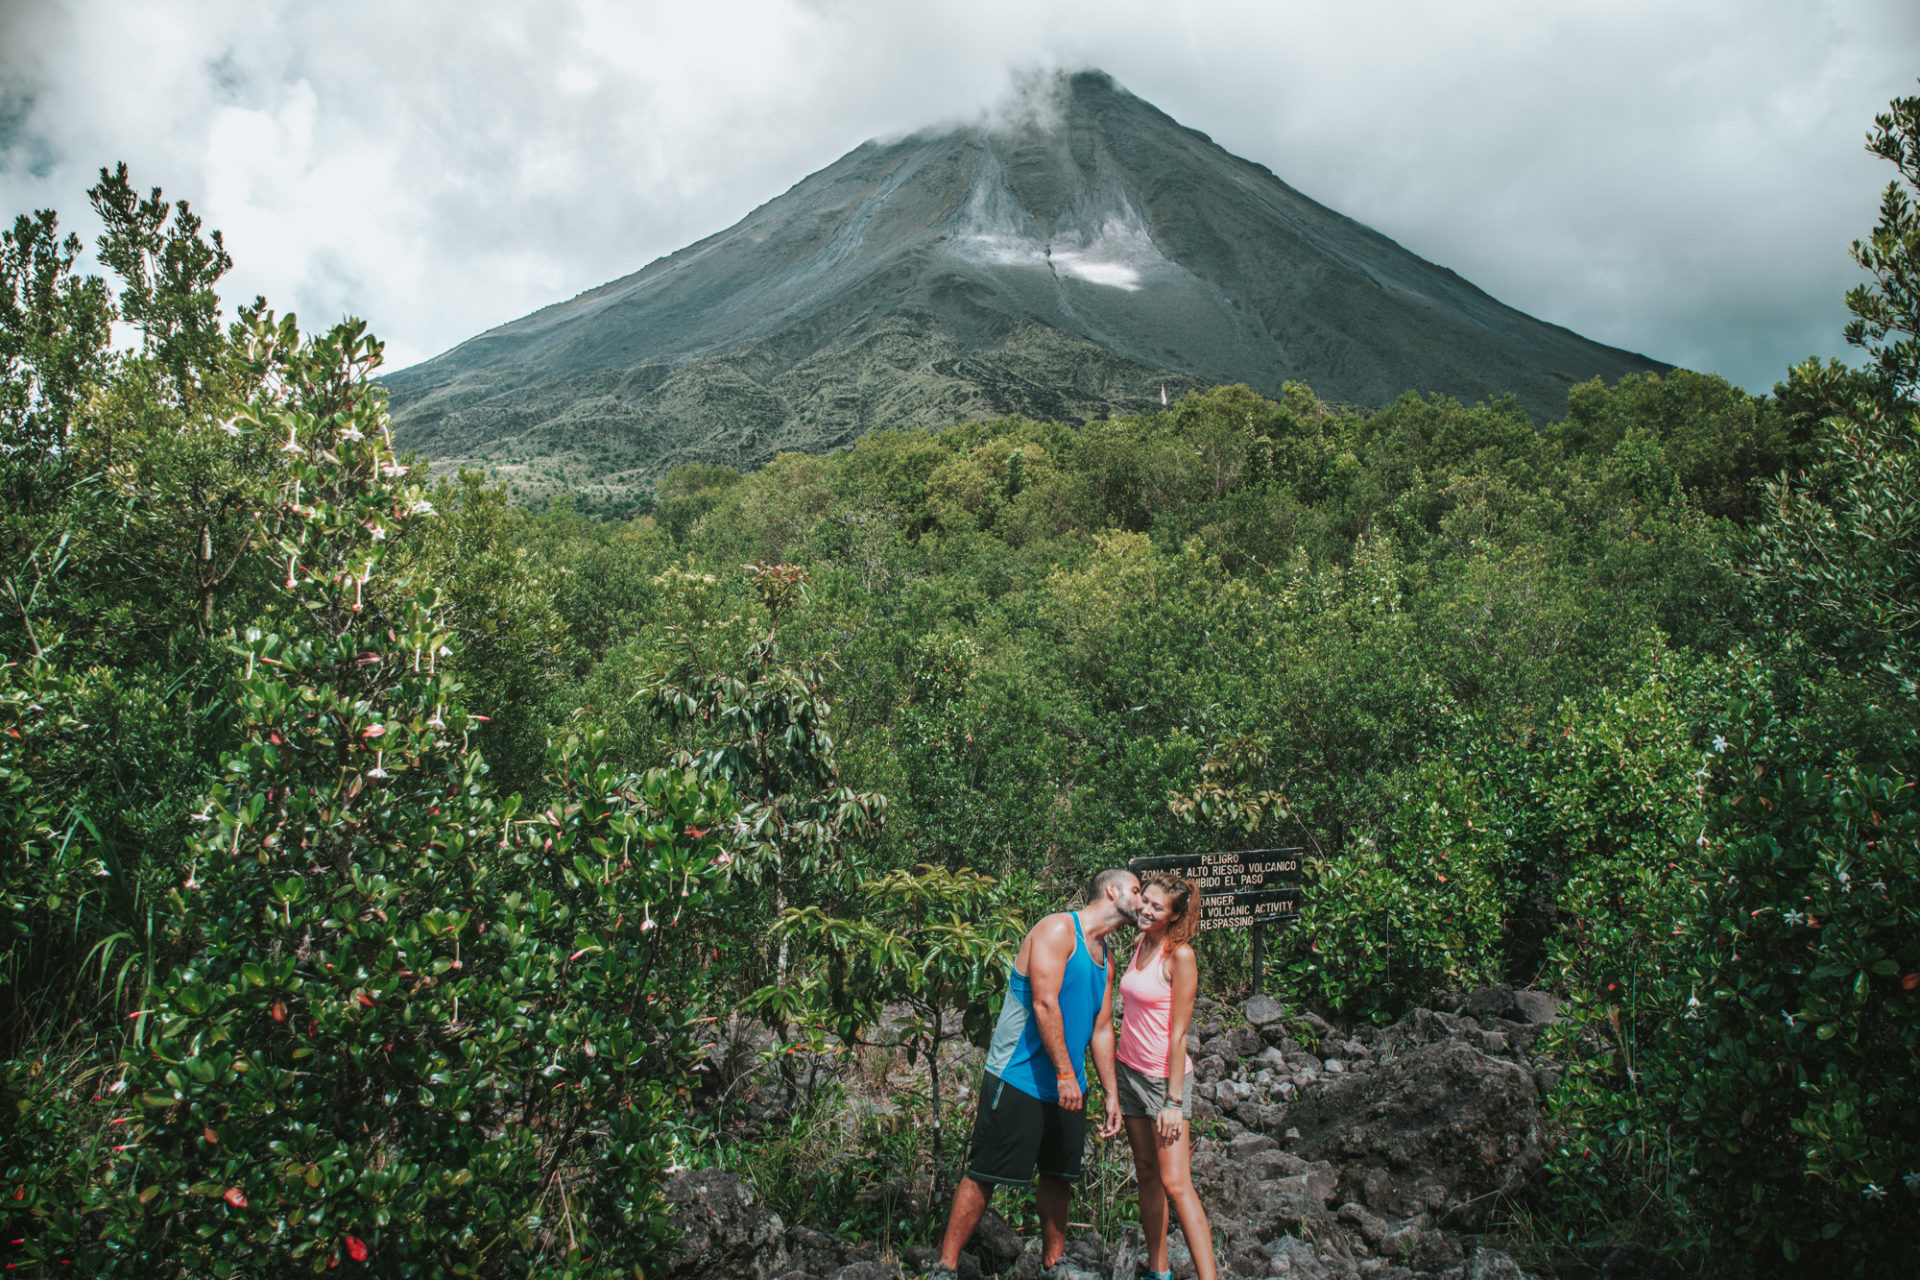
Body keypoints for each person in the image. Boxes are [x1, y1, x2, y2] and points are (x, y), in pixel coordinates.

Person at [931, 868, 1142, 1280]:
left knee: (1059, 1176)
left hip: (1070, 1084)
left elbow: (1102, 1028)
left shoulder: (1106, 957)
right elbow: (1045, 1004)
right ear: (1112, 891)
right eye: (1136, 890)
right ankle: (946, 1266)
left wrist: (1110, 1091)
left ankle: (1053, 1263)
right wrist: (1064, 1072)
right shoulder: (1058, 929)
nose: (1142, 899)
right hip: (1019, 1074)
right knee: (984, 1173)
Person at [1116, 872, 1218, 1280]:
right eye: (1146, 901)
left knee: (1176, 1183)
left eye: (1157, 907)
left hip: (1163, 1080)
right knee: (1146, 1171)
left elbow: (1179, 1034)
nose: (1146, 909)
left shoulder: (1180, 955)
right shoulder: (1142, 940)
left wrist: (1175, 1102)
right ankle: (1159, 1272)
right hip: (1129, 1071)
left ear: (1174, 917)